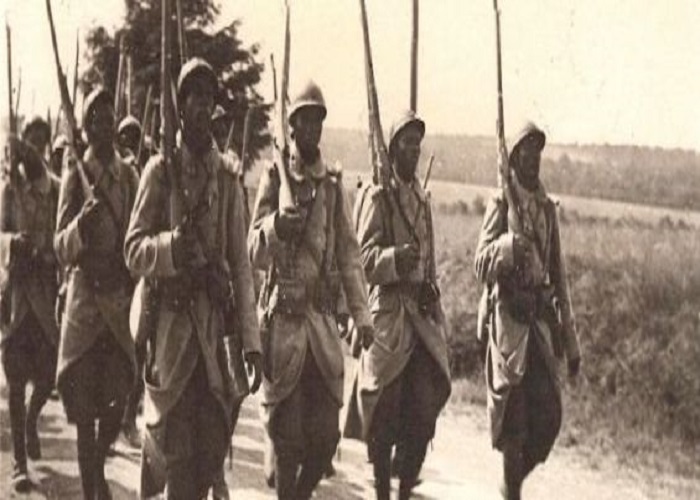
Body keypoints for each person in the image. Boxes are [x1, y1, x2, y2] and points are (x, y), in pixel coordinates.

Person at [124, 58, 262, 500]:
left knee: (208, 453)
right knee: (177, 455)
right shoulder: (160, 172)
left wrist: (251, 342)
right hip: (172, 333)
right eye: (194, 97)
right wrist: (170, 248)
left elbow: (241, 265)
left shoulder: (227, 178)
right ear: (180, 107)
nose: (203, 105)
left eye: (208, 96)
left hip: (213, 336)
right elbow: (133, 249)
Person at [248, 80, 374, 500]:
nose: (313, 127)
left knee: (323, 443)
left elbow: (350, 254)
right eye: (305, 119)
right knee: (288, 441)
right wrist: (275, 228)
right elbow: (251, 249)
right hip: (284, 329)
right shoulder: (274, 177)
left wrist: (361, 315)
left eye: (318, 119)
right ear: (292, 126)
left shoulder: (332, 186)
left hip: (320, 331)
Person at [344, 110, 452, 500]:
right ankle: (381, 490)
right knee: (383, 411)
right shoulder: (377, 196)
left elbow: (430, 261)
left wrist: (431, 290)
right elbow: (360, 260)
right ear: (393, 148)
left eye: (418, 144)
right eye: (407, 143)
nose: (415, 151)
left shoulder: (422, 199)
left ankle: (405, 489)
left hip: (419, 318)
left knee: (425, 407)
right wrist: (393, 259)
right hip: (388, 315)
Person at [474, 122, 581, 499]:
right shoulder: (501, 203)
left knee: (549, 418)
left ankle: (511, 484)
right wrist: (505, 247)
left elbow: (559, 276)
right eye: (526, 151)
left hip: (538, 324)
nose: (533, 158)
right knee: (514, 423)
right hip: (507, 323)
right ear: (515, 157)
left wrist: (571, 342)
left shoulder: (547, 209)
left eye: (538, 151)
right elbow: (480, 263)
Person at [54, 87, 139, 500]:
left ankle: (97, 468)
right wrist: (80, 229)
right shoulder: (75, 176)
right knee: (85, 413)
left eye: (109, 119)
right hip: (86, 306)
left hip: (119, 306)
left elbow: (139, 234)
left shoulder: (129, 177)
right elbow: (59, 245)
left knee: (118, 403)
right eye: (96, 120)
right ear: (85, 128)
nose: (104, 127)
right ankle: (91, 491)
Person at [0, 134, 60, 493]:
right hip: (17, 299)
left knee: (49, 379)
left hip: (46, 301)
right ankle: (19, 463)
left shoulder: (56, 189)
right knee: (15, 382)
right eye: (26, 147)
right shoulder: (10, 190)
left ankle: (31, 421)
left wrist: (45, 253)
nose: (30, 152)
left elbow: (65, 235)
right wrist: (12, 243)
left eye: (36, 146)